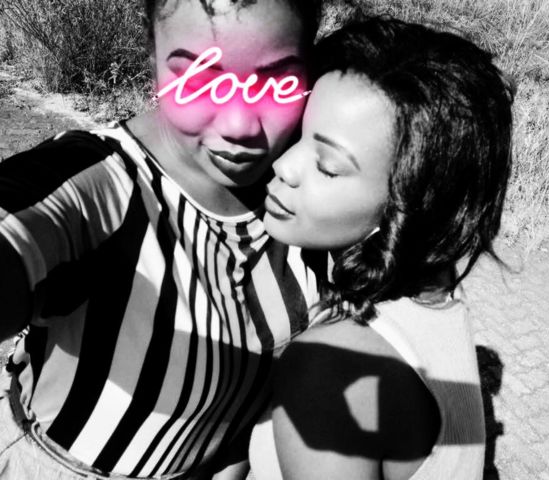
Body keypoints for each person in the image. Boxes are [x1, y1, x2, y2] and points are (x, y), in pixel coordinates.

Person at [0, 0, 322, 478]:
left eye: (276, 81)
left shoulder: (313, 191)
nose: (239, 125)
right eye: (199, 79)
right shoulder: (101, 182)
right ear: (151, 54)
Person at [248, 17, 515, 480]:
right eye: (298, 133)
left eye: (327, 166)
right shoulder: (435, 292)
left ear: (405, 209)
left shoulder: (332, 371)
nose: (285, 166)